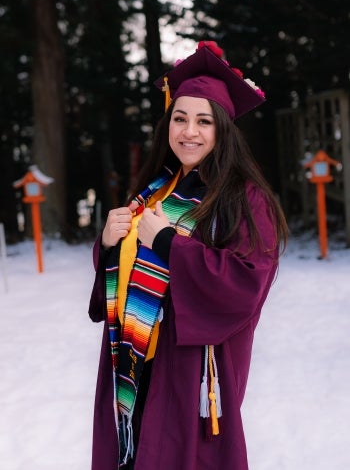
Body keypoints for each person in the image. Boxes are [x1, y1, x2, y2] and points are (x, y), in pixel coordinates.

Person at [88, 40, 288, 470]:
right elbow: (123, 274)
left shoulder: (245, 199)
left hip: (188, 372)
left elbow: (246, 284)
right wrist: (108, 245)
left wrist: (167, 244)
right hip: (133, 365)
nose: (189, 131)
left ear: (223, 130)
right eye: (180, 118)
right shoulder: (155, 190)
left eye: (203, 121)